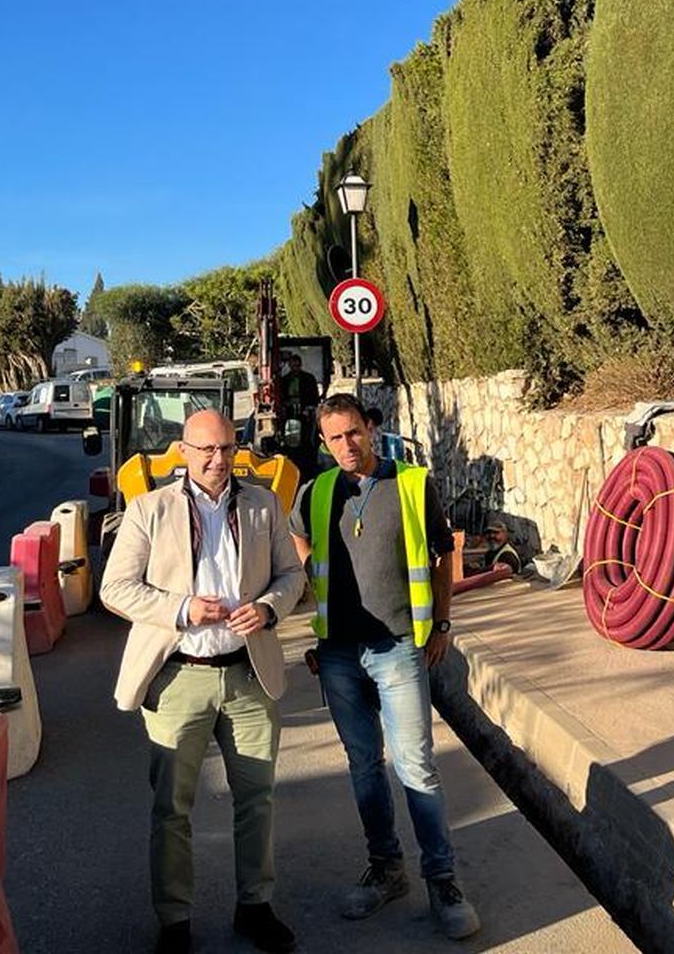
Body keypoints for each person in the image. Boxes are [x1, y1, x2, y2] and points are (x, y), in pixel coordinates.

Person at [102, 408, 306, 954]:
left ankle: (255, 908)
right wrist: (183, 608)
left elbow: (293, 575)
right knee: (173, 809)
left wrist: (267, 608)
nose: (218, 460)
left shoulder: (264, 506)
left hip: (247, 676)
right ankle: (174, 921)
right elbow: (115, 589)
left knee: (257, 800)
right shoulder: (149, 509)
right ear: (185, 451)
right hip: (178, 680)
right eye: (206, 450)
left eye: (226, 449)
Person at [289, 394, 482, 940]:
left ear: (370, 429)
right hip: (339, 654)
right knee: (363, 766)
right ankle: (387, 868)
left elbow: (445, 553)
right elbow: (296, 534)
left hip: (398, 645)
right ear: (323, 444)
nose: (346, 446)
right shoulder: (318, 491)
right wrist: (310, 572)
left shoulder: (413, 485)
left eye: (353, 433)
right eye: (334, 438)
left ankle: (442, 879)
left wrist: (441, 624)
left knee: (415, 765)